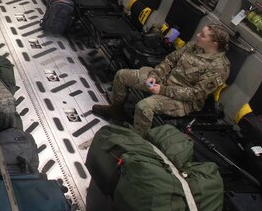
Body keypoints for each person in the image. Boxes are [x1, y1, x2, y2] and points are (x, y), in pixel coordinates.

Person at [92, 24, 231, 134]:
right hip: (163, 81)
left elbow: (195, 94)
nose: (198, 35)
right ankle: (116, 109)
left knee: (143, 107)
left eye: (203, 35)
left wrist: (162, 90)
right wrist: (155, 76)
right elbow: (170, 61)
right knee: (121, 75)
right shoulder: (193, 47)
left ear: (214, 44)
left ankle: (135, 139)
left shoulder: (219, 67)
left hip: (183, 100)